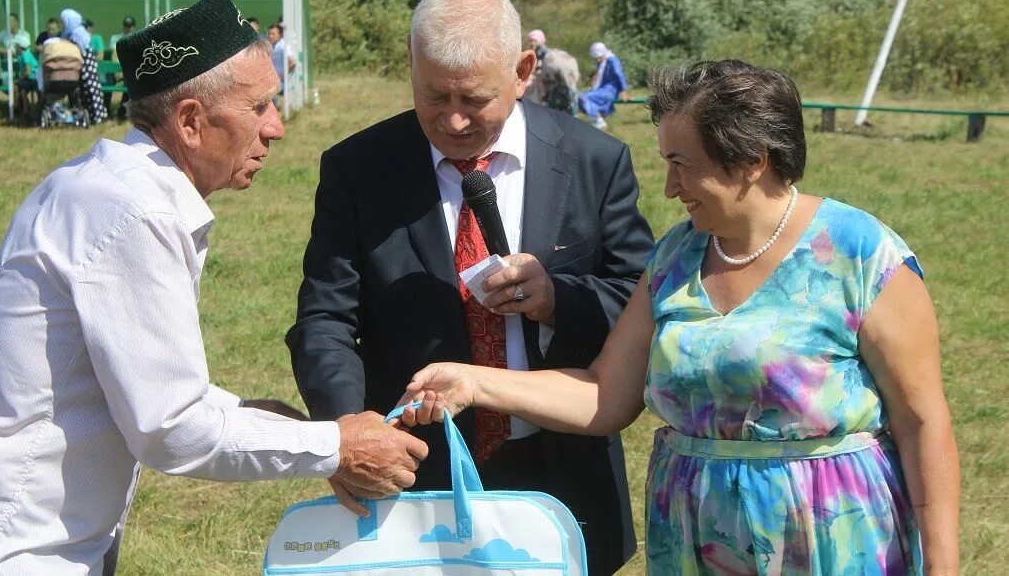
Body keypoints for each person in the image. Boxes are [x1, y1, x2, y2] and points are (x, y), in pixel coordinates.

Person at [403, 59, 961, 575]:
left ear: (749, 161)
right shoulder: (675, 258)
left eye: (681, 165)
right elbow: (604, 395)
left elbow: (921, 423)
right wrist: (474, 381)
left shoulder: (860, 254)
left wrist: (941, 566)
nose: (669, 188)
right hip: (695, 541)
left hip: (828, 537)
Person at [0, 0, 428, 575]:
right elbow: (172, 429)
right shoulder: (134, 213)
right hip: (18, 551)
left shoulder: (111, 189)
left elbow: (142, 384)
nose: (277, 127)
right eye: (260, 105)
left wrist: (279, 424)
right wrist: (336, 447)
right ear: (190, 121)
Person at [286, 0, 653, 576]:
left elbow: (641, 298)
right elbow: (326, 317)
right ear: (410, 60)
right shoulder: (358, 169)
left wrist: (559, 298)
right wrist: (351, 432)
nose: (453, 119)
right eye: (434, 94)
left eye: (475, 98)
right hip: (415, 469)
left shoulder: (595, 161)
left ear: (524, 70)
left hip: (562, 466)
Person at [59, 8, 108, 124]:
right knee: (82, 92)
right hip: (80, 64)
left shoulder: (77, 33)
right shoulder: (71, 32)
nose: (61, 24)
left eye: (63, 21)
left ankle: (97, 117)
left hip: (86, 64)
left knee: (91, 90)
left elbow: (80, 51)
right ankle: (86, 117)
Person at [525, 28, 580, 116]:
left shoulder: (543, 55)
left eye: (534, 40)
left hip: (551, 91)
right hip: (564, 90)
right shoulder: (553, 54)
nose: (532, 43)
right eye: (531, 41)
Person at [579, 41, 629, 131]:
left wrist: (623, 91)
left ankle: (600, 121)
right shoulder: (601, 62)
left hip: (611, 90)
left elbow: (619, 74)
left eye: (597, 57)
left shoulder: (612, 60)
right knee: (580, 96)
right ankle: (599, 118)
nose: (596, 59)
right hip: (602, 89)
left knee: (586, 97)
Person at [11, 33, 39, 122]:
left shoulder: (25, 55)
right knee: (22, 91)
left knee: (16, 87)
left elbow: (27, 72)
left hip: (33, 79)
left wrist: (18, 80)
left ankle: (16, 108)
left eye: (16, 45)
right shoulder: (22, 55)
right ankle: (25, 111)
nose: (15, 47)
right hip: (30, 79)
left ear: (19, 46)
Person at [267, 23, 297, 96]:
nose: (270, 36)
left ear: (280, 34)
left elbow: (292, 62)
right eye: (269, 34)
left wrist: (283, 76)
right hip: (273, 80)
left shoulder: (283, 45)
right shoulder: (270, 45)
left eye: (273, 34)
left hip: (282, 82)